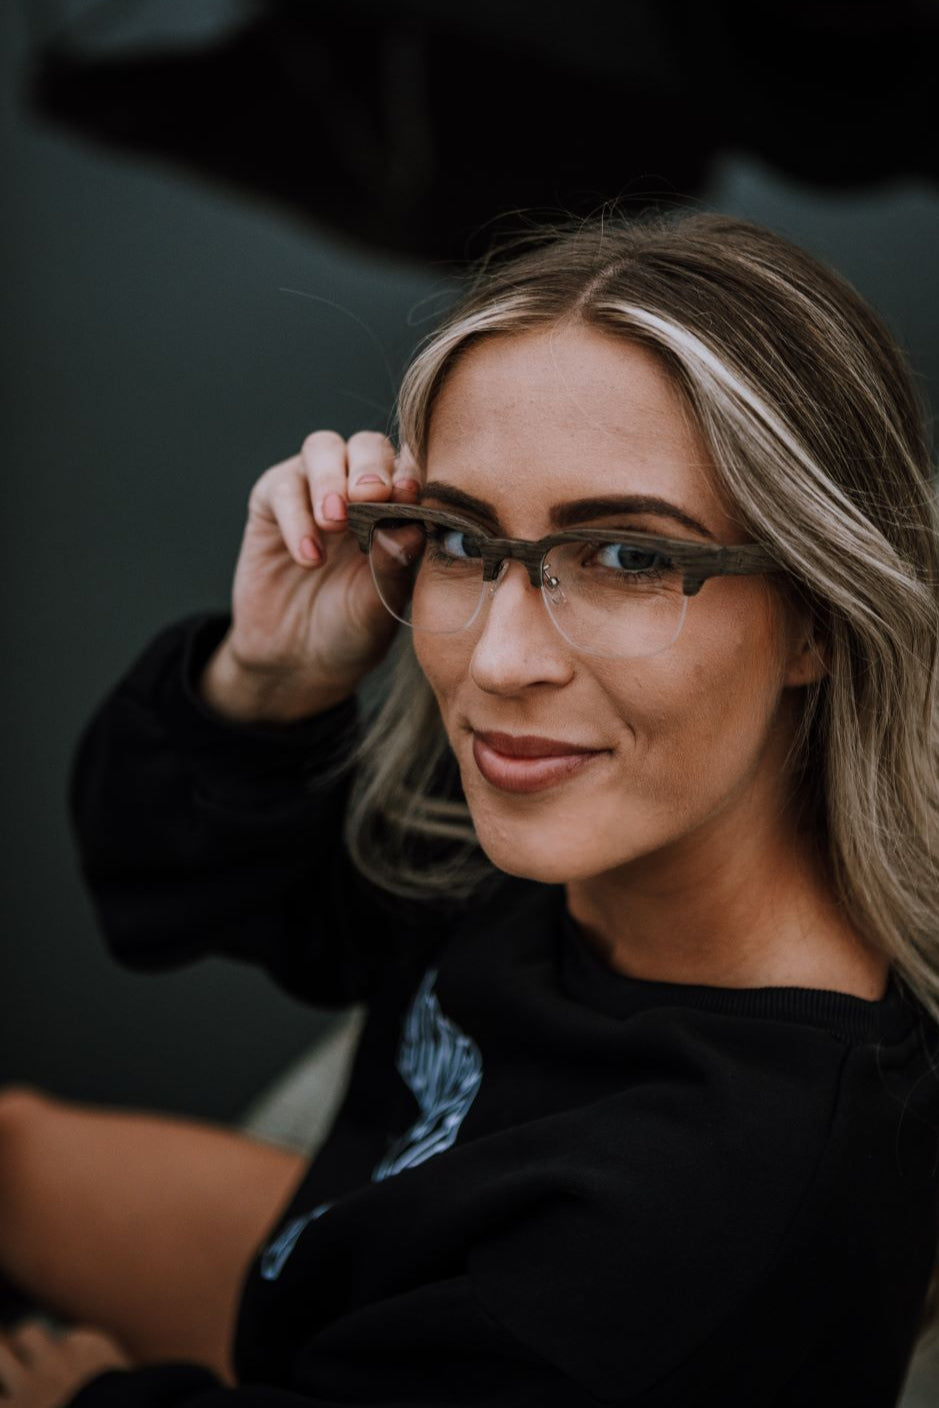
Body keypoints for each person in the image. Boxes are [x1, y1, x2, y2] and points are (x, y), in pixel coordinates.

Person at [1, 208, 939, 1407]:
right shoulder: (551, 810)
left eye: (631, 557)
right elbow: (167, 887)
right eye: (460, 537)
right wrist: (270, 679)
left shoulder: (693, 1227)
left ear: (819, 610)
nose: (500, 660)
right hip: (366, 1245)